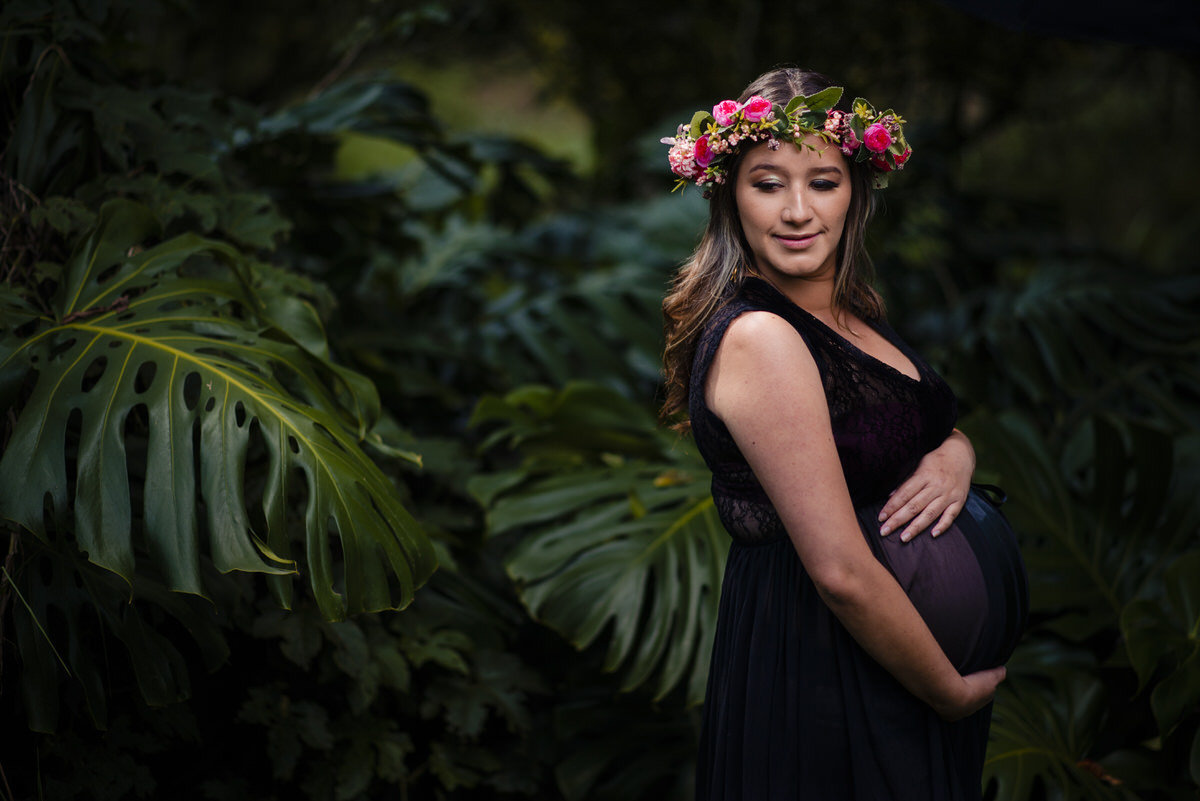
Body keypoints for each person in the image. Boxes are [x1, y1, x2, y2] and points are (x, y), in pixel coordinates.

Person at [660, 67, 1028, 800]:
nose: (798, 211)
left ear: (856, 188)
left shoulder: (848, 307)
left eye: (822, 181)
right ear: (728, 193)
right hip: (829, 671)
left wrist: (957, 455)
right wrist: (947, 693)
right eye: (768, 183)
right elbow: (839, 569)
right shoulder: (762, 335)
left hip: (885, 671)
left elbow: (916, 426)